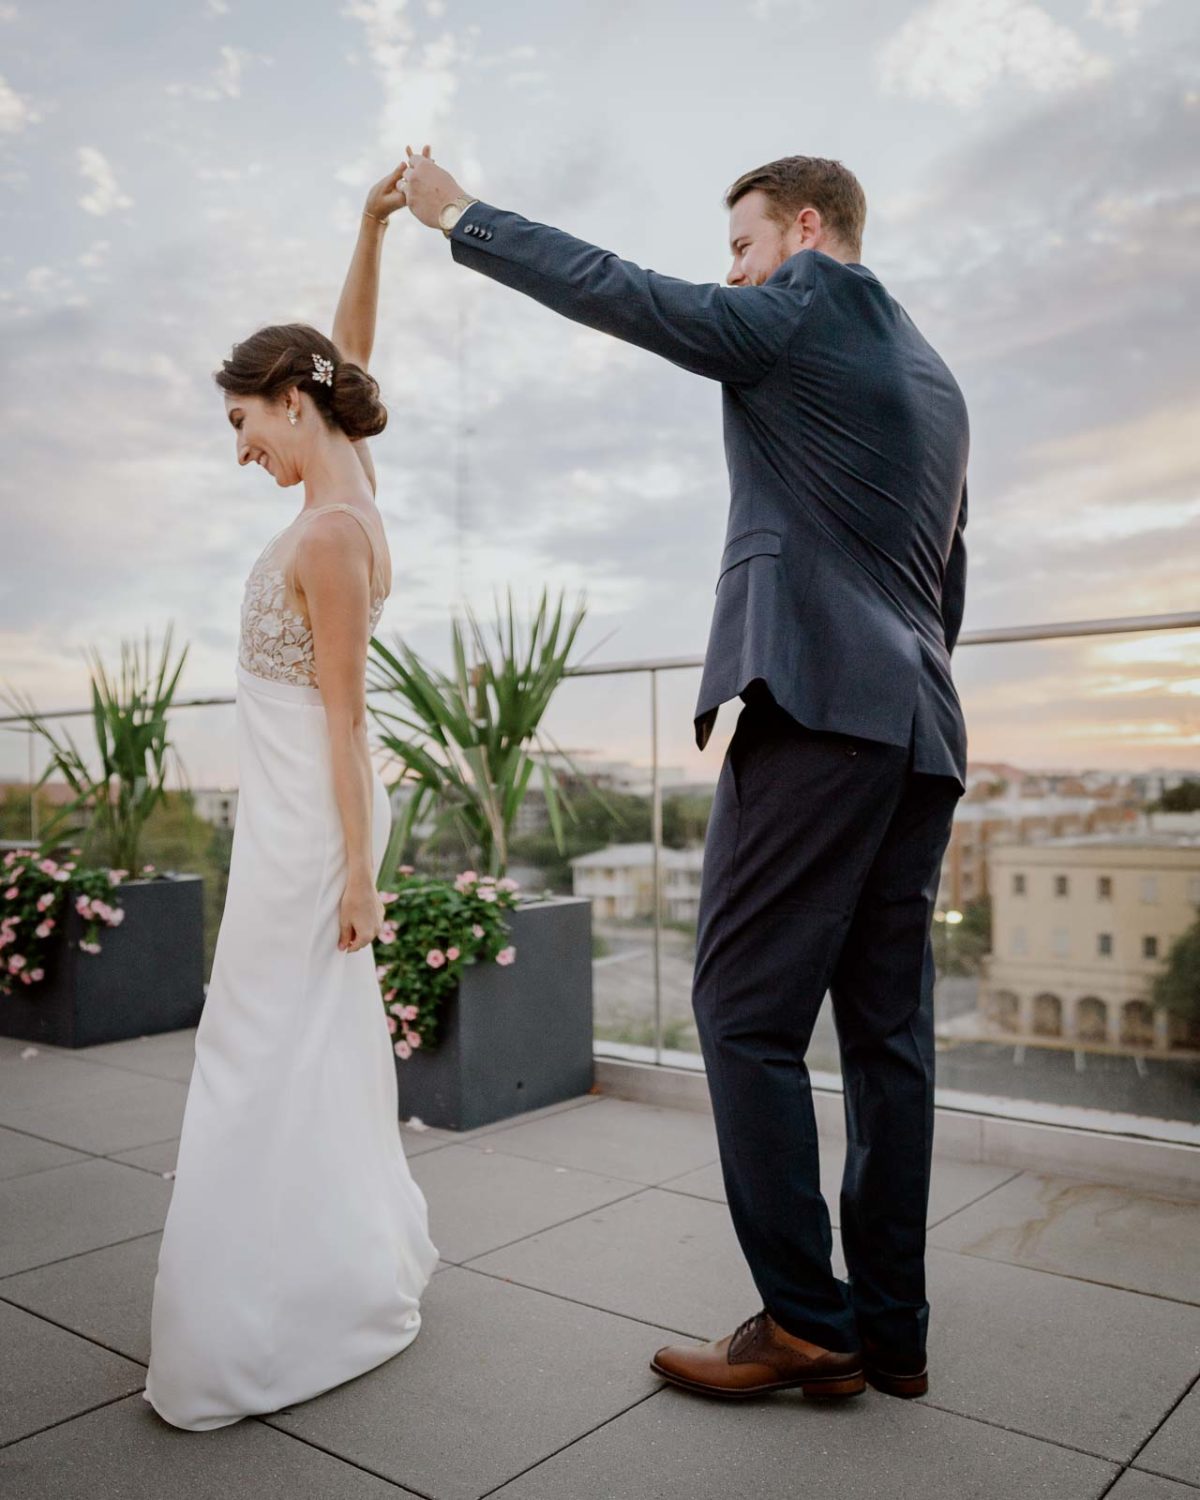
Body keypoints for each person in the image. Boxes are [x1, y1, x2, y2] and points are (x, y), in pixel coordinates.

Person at [401, 149, 968, 1402]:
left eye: (745, 246)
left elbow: (631, 294)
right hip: (920, 725)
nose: (735, 274)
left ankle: (808, 1324)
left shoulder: (807, 304)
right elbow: (948, 582)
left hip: (820, 711)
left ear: (806, 228)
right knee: (889, 1036)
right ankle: (892, 1329)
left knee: (742, 1013)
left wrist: (462, 216)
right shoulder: (936, 376)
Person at [143, 165, 438, 1431]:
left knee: (253, 1048)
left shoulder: (328, 533)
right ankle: (316, 1265)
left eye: (244, 423)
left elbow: (344, 714)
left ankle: (258, 1316)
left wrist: (359, 875)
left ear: (291, 403)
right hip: (293, 818)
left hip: (307, 829)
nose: (242, 447)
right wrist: (369, 228)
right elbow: (346, 347)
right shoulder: (347, 476)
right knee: (287, 1045)